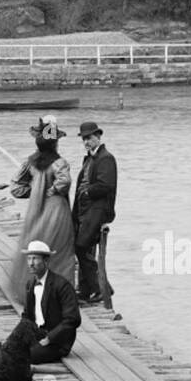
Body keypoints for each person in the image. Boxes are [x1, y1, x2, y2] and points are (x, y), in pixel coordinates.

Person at [7, 115, 76, 298]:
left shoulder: (30, 163)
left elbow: (15, 188)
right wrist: (52, 190)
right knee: (60, 251)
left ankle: (33, 290)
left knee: (35, 247)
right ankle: (61, 294)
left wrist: (34, 190)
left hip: (35, 211)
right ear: (55, 143)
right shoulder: (60, 163)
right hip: (57, 211)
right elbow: (64, 182)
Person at [73, 120, 117, 304]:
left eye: (89, 138)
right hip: (84, 210)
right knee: (81, 246)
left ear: (98, 136)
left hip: (98, 210)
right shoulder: (90, 158)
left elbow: (106, 185)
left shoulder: (106, 158)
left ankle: (101, 287)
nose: (86, 142)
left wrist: (87, 191)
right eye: (84, 139)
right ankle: (85, 290)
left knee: (81, 246)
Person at [21, 241, 81, 363]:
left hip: (57, 341)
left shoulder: (62, 285)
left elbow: (73, 319)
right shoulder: (30, 284)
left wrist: (49, 338)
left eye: (35, 259)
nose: (31, 263)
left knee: (26, 356)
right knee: (6, 350)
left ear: (46, 261)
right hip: (37, 334)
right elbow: (26, 315)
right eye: (29, 259)